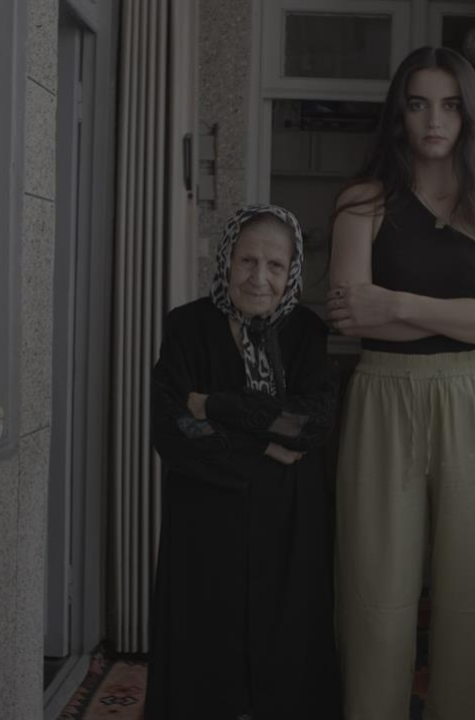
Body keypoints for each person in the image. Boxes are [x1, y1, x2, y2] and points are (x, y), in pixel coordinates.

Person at [326, 47, 475, 720]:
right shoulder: (362, 202)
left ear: (470, 113)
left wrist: (398, 304)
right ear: (400, 113)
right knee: (374, 599)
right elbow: (350, 314)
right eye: (418, 104)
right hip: (382, 400)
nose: (434, 120)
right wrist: (471, 319)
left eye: (449, 104)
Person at [146, 204, 342, 720]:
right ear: (226, 260)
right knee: (205, 662)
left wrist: (217, 405)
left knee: (286, 659)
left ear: (291, 271)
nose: (259, 278)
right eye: (247, 261)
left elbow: (309, 426)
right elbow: (173, 426)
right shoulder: (187, 326)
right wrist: (260, 446)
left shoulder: (306, 332)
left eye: (275, 265)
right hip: (205, 517)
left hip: (289, 521)